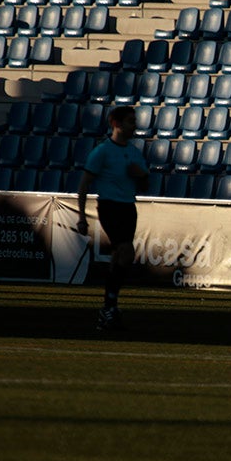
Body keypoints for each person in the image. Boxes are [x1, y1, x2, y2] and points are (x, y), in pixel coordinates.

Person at [77, 105, 147, 330]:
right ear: (116, 124)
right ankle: (109, 306)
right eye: (130, 121)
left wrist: (141, 176)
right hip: (109, 207)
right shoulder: (102, 152)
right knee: (127, 251)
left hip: (128, 207)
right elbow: (84, 184)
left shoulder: (135, 152)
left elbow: (145, 183)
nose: (134, 126)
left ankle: (109, 306)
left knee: (120, 256)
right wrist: (81, 216)